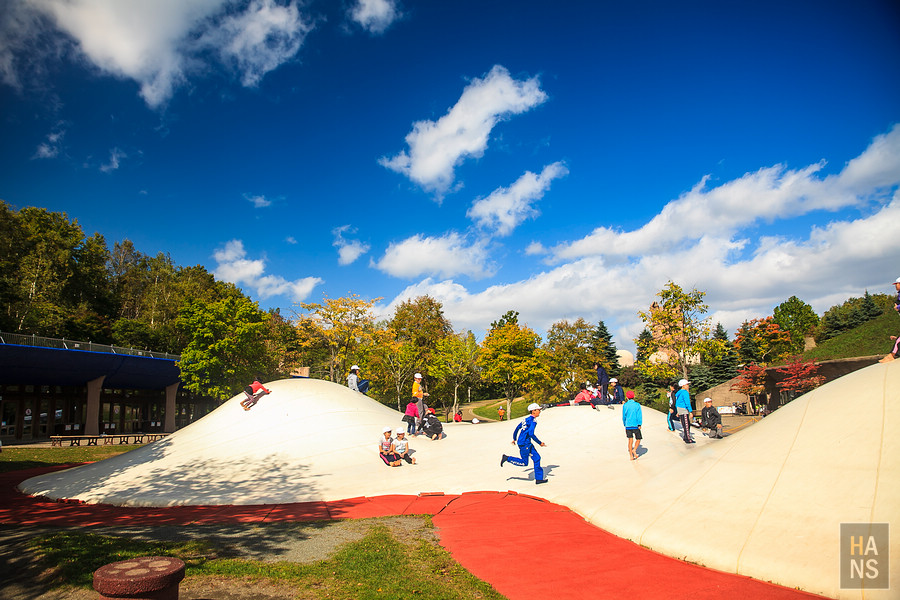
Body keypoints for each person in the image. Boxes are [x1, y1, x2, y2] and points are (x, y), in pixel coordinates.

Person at [500, 403, 548, 484]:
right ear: (533, 411)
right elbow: (531, 433)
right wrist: (540, 443)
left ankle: (539, 479)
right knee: (524, 462)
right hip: (524, 444)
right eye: (538, 410)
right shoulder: (533, 421)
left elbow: (517, 428)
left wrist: (514, 438)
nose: (539, 411)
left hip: (527, 443)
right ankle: (507, 458)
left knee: (537, 458)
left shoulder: (525, 420)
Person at [622, 390, 642, 460]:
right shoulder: (637, 405)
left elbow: (624, 416)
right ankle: (634, 449)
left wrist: (625, 423)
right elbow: (639, 415)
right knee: (638, 438)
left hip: (628, 425)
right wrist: (639, 424)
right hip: (635, 424)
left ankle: (631, 455)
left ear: (627, 397)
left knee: (630, 440)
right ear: (634, 396)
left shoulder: (625, 405)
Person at [675, 378, 695, 444]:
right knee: (686, 424)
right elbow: (687, 402)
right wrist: (690, 411)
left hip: (680, 409)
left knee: (684, 423)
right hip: (683, 409)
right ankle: (688, 438)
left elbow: (677, 402)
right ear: (683, 385)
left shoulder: (679, 393)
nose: (688, 386)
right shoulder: (685, 392)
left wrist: (678, 411)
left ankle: (685, 436)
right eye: (686, 384)